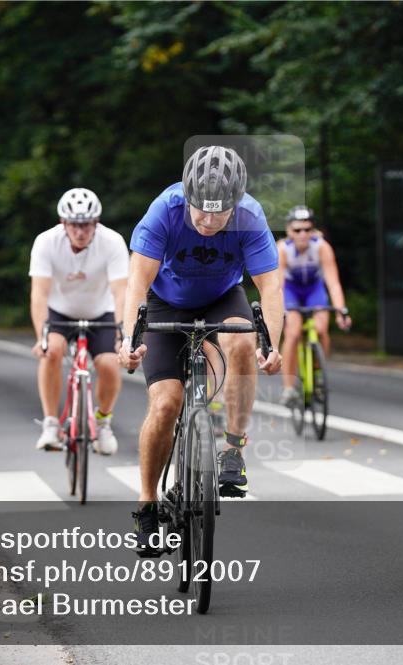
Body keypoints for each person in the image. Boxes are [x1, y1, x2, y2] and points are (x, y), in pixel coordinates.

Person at [118, 146, 284, 553]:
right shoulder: (164, 210)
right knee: (165, 404)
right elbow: (136, 282)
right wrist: (129, 340)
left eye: (220, 213)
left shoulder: (250, 216)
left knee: (243, 342)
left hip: (221, 297)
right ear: (187, 197)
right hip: (164, 302)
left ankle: (232, 449)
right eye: (201, 212)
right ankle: (147, 505)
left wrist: (273, 344)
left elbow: (270, 286)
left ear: (235, 204)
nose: (209, 221)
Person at [29, 188, 128, 455]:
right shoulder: (46, 242)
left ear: (96, 223)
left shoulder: (113, 242)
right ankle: (51, 423)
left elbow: (121, 292)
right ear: (63, 223)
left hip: (101, 311)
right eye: (74, 225)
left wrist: (123, 335)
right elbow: (39, 293)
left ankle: (103, 423)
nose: (80, 231)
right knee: (52, 352)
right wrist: (42, 336)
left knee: (108, 364)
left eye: (86, 225)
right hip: (60, 311)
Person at [277, 206, 351, 408]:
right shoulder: (282, 249)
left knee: (320, 330)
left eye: (307, 229)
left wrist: (341, 310)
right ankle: (289, 388)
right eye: (297, 230)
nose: (303, 234)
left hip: (313, 290)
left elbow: (333, 282)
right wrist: (279, 312)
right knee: (292, 333)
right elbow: (278, 285)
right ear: (289, 231)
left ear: (313, 230)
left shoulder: (321, 247)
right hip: (291, 290)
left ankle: (318, 374)